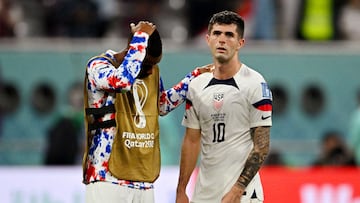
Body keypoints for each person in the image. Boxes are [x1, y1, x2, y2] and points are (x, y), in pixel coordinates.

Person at [82, 21, 211, 203]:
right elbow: (122, 82)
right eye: (147, 64)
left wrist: (194, 78)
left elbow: (160, 106)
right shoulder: (98, 67)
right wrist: (140, 36)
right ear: (133, 49)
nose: (151, 71)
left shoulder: (150, 71)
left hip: (142, 178)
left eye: (154, 64)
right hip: (106, 177)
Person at [176, 11, 272, 203]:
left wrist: (237, 190)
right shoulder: (197, 85)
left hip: (242, 196)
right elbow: (191, 141)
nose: (222, 40)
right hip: (204, 194)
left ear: (240, 43)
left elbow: (261, 146)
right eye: (217, 33)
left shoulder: (255, 83)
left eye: (229, 35)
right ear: (207, 39)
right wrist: (181, 189)